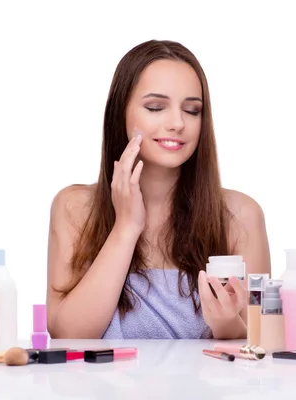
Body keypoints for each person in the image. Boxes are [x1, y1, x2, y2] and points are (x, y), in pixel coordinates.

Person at [46, 39, 271, 340]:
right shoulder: (74, 207)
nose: (178, 123)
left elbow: (265, 347)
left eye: (192, 110)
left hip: (206, 388)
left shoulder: (240, 215)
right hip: (104, 387)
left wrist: (225, 323)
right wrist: (126, 228)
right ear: (120, 112)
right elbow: (69, 334)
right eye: (156, 107)